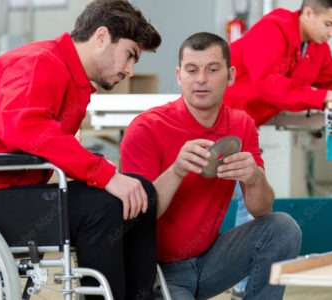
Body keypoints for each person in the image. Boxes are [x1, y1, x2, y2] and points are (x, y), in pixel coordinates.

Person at [0, 1, 161, 299]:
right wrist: (105, 175)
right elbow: (25, 127)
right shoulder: (39, 62)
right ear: (102, 37)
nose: (130, 70)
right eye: (130, 55)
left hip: (11, 190)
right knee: (103, 207)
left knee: (142, 192)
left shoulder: (66, 72)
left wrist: (108, 177)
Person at [120, 32, 301, 300]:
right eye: (192, 70)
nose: (201, 79)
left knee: (283, 228)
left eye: (212, 69)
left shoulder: (241, 124)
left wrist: (254, 178)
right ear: (179, 76)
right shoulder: (146, 129)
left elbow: (261, 209)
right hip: (157, 271)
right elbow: (137, 218)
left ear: (230, 75)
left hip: (209, 262)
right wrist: (177, 170)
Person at [223, 0, 332, 127]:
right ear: (308, 13)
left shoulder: (316, 49)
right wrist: (325, 97)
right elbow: (268, 84)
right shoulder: (272, 30)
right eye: (328, 24)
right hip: (215, 119)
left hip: (244, 126)